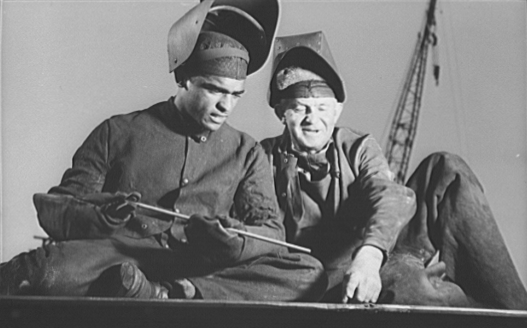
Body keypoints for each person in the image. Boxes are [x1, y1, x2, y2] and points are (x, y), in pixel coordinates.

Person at [0, 1, 326, 301]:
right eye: (214, 90)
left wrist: (234, 236)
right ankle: (139, 286)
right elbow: (59, 212)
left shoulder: (246, 151)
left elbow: (271, 232)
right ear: (183, 78)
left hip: (202, 267)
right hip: (117, 256)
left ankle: (171, 292)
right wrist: (103, 215)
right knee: (38, 270)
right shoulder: (118, 131)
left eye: (235, 95)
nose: (225, 105)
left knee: (307, 271)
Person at [261, 31, 527, 309]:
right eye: (299, 108)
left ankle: (516, 311)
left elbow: (389, 196)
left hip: (375, 252)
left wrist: (370, 255)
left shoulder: (357, 147)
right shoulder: (261, 158)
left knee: (447, 169)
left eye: (322, 108)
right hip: (322, 278)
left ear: (338, 111)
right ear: (281, 112)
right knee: (418, 293)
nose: (312, 120)